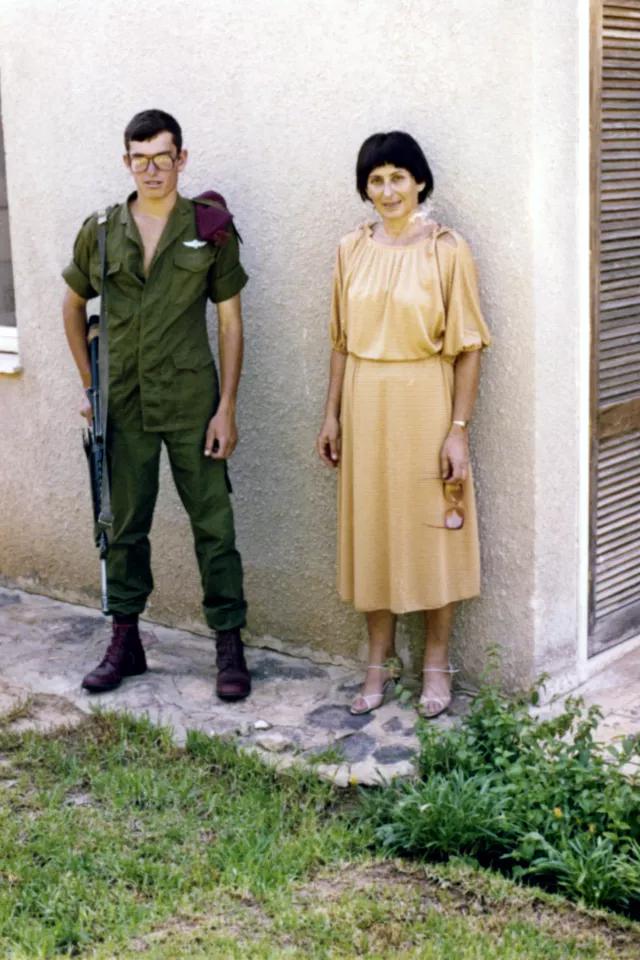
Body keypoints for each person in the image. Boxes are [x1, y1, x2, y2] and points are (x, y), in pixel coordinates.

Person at [62, 109, 251, 701]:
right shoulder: (101, 229)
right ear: (127, 162)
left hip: (193, 401)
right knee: (123, 527)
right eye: (139, 159)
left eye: (162, 158)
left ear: (181, 160)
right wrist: (90, 386)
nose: (151, 169)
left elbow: (231, 322)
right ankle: (126, 641)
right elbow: (71, 305)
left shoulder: (210, 227)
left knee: (214, 527)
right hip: (122, 402)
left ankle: (228, 644)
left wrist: (227, 408)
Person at [316, 131, 491, 719]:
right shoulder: (350, 249)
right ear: (365, 189)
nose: (387, 190)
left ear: (419, 181)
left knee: (434, 528)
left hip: (426, 399)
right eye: (375, 179)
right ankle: (379, 661)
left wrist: (457, 428)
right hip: (365, 402)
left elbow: (469, 347)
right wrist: (331, 414)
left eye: (397, 177)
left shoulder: (447, 250)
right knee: (374, 530)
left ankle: (436, 662)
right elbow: (340, 341)